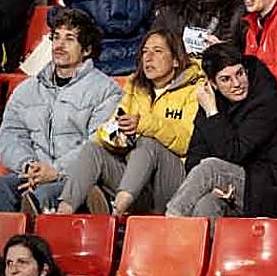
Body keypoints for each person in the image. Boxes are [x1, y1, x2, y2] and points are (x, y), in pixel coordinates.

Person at [0, 8, 120, 213]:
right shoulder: (27, 90)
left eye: (69, 39)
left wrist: (56, 171)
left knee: (44, 196)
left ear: (86, 50)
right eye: (56, 37)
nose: (59, 45)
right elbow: (10, 135)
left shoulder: (106, 90)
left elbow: (97, 143)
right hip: (33, 174)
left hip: (77, 177)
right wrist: (29, 166)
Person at [57, 28, 202, 216]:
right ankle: (62, 213)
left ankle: (116, 211)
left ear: (176, 60)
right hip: (136, 181)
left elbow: (188, 141)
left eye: (157, 51)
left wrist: (143, 125)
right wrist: (116, 136)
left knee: (147, 143)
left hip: (173, 183)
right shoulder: (135, 86)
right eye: (145, 52)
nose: (148, 57)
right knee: (92, 149)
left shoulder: (195, 89)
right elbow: (106, 132)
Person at [165, 43, 277, 219]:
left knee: (210, 169)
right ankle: (191, 237)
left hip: (269, 187)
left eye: (240, 74)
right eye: (226, 79)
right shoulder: (210, 101)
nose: (237, 84)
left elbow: (235, 152)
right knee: (207, 204)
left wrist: (213, 114)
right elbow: (195, 156)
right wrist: (215, 186)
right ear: (213, 84)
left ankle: (170, 224)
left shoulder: (267, 101)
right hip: (235, 185)